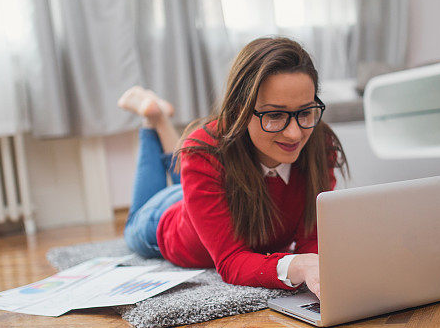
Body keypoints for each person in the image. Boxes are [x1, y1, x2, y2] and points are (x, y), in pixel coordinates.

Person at [119, 37, 347, 299]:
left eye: (305, 112)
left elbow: (311, 242)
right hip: (162, 221)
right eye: (275, 115)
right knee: (136, 218)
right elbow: (231, 261)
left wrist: (313, 264)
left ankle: (159, 118)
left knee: (190, 169)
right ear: (240, 109)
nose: (295, 134)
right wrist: (297, 265)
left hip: (205, 186)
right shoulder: (202, 151)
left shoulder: (320, 143)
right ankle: (153, 119)